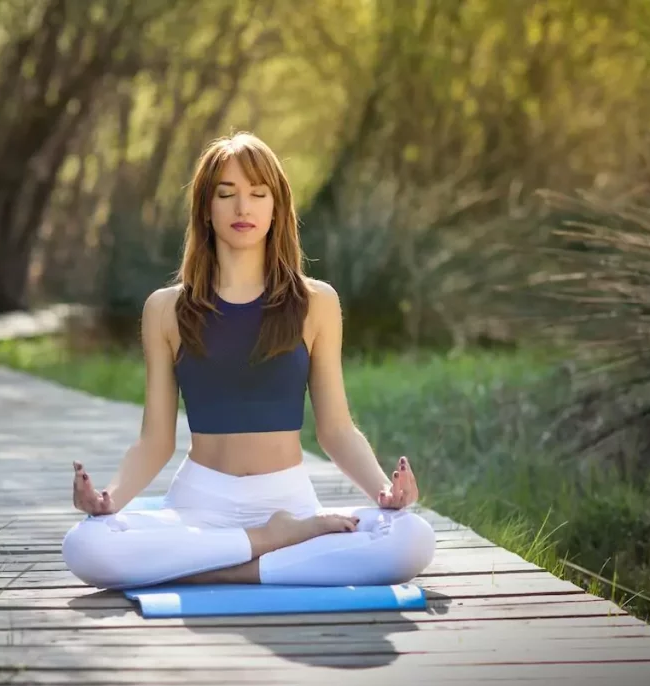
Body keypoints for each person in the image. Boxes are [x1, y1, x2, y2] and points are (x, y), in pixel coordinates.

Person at [63, 132, 436, 590]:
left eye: (259, 194)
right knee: (84, 546)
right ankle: (267, 544)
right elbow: (155, 441)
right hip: (200, 503)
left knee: (412, 538)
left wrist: (384, 492)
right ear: (206, 207)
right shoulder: (165, 309)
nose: (244, 208)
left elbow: (335, 429)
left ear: (277, 207)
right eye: (227, 194)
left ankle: (211, 567)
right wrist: (109, 499)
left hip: (288, 499)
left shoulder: (316, 302)